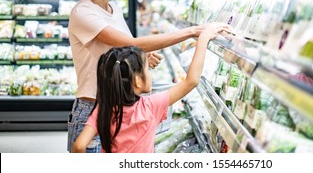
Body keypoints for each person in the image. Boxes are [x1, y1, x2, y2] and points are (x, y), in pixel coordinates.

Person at [67, 0, 225, 152]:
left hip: (117, 107)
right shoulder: (83, 11)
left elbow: (121, 51)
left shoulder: (114, 8)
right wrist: (193, 31)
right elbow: (132, 43)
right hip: (94, 108)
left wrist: (138, 62)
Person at [72, 23, 227, 153]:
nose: (150, 73)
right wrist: (203, 39)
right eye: (147, 69)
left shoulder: (104, 109)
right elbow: (191, 81)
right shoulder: (150, 106)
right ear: (138, 81)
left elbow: (79, 146)